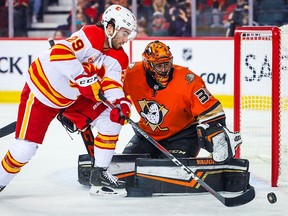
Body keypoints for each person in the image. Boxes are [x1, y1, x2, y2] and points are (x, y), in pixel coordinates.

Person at [0, 4, 137, 196]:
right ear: (110, 27)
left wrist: (120, 103)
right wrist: (83, 78)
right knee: (24, 149)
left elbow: (112, 85)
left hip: (73, 99)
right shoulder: (91, 34)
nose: (126, 39)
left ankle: (99, 175)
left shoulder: (119, 57)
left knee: (111, 119)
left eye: (129, 34)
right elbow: (59, 53)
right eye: (124, 33)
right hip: (42, 93)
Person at [122, 40, 242, 162]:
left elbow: (212, 111)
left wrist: (217, 135)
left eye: (167, 64)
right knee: (127, 165)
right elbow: (114, 90)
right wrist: (120, 104)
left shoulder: (188, 80)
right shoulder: (132, 74)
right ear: (147, 64)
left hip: (183, 135)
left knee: (168, 172)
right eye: (159, 65)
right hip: (147, 135)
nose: (164, 69)